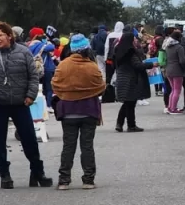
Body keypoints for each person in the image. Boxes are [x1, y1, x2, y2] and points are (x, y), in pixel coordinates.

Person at [0, 22, 53, 189]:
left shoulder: (23, 52)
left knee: (29, 138)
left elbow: (33, 75)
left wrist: (30, 95)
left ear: (9, 36)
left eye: (0, 35)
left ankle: (37, 172)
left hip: (20, 102)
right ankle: (5, 175)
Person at [52, 35, 105, 190]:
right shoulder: (92, 66)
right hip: (89, 111)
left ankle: (64, 180)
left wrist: (67, 94)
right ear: (86, 48)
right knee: (87, 146)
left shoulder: (63, 65)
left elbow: (55, 84)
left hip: (68, 111)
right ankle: (88, 180)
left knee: (68, 146)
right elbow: (101, 86)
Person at [114, 30, 156, 131]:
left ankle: (119, 124)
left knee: (127, 102)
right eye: (134, 39)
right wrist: (152, 64)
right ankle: (131, 125)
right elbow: (138, 65)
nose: (135, 40)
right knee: (131, 103)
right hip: (130, 79)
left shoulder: (118, 51)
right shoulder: (131, 52)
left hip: (121, 78)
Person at [28, 27, 57, 111]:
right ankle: (48, 105)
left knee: (37, 88)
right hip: (46, 68)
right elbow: (52, 47)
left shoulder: (29, 45)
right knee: (48, 88)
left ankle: (36, 105)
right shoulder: (42, 45)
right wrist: (47, 40)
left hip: (34, 69)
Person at [163, 31, 185, 115]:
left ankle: (170, 107)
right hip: (177, 70)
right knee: (177, 90)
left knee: (173, 90)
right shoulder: (179, 47)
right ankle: (173, 109)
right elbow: (182, 61)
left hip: (168, 70)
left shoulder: (167, 46)